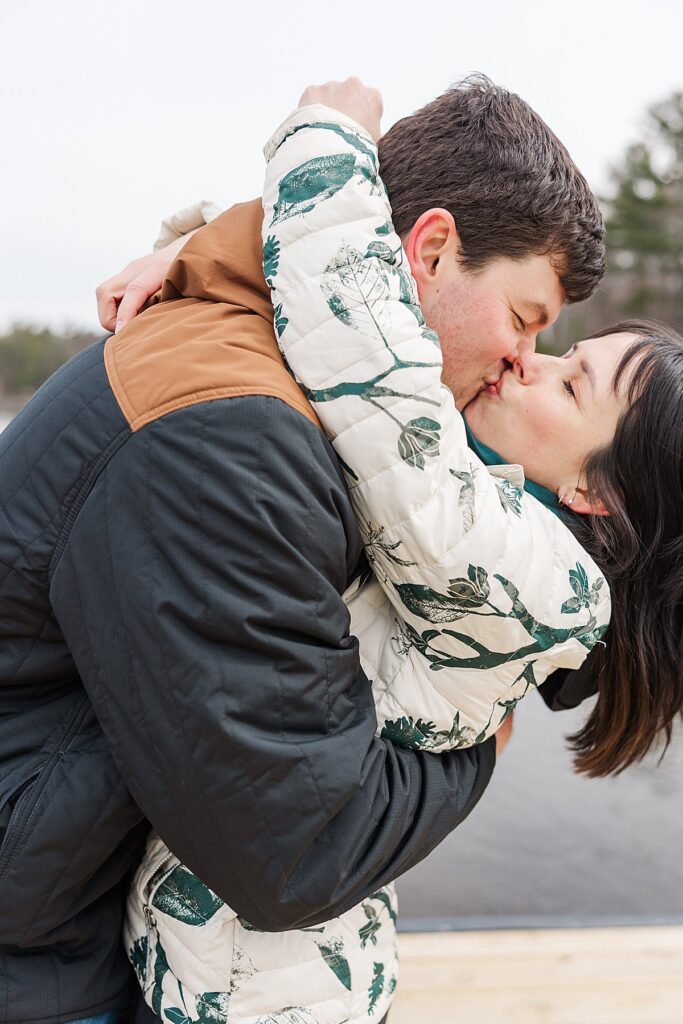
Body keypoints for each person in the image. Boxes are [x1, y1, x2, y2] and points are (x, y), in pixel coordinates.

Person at [0, 77, 606, 1024]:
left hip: (63, 913)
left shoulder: (287, 376)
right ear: (432, 249)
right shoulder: (230, 437)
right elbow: (295, 847)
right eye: (526, 318)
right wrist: (478, 741)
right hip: (35, 960)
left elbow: (448, 489)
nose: (520, 358)